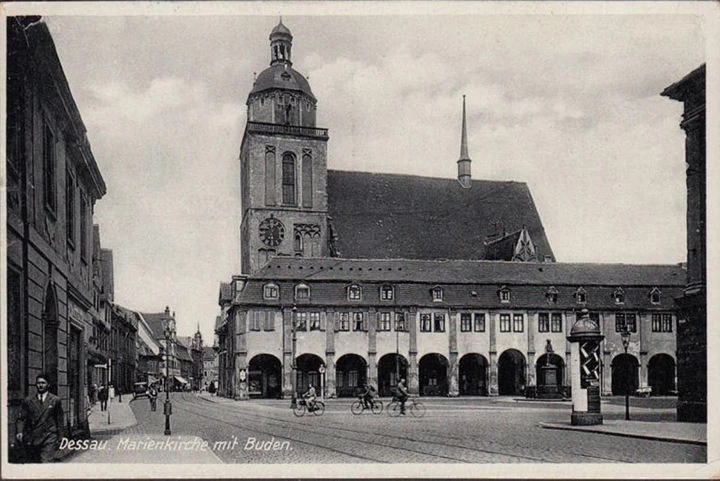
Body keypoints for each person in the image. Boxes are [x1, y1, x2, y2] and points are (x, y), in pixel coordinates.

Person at [15, 373, 65, 463]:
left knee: (46, 461)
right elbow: (22, 418)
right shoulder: (28, 401)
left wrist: (61, 437)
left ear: (48, 384)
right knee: (34, 462)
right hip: (33, 437)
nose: (40, 385)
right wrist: (20, 431)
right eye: (38, 383)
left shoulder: (55, 400)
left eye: (43, 383)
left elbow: (59, 420)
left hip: (49, 436)